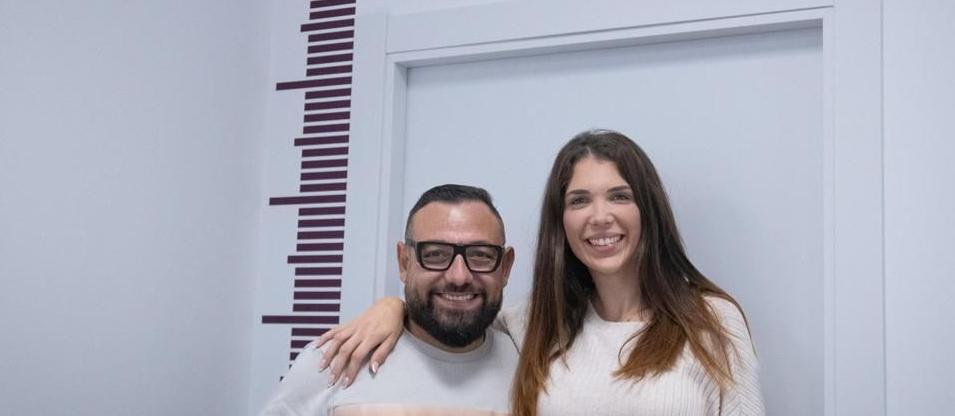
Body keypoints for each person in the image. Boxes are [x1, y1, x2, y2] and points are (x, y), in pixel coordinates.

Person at [318, 130, 765, 415]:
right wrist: (392, 306)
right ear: (562, 222)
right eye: (579, 201)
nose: (599, 216)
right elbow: (452, 305)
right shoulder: (532, 322)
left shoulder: (711, 321)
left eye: (619, 196)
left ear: (648, 210)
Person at [260, 183, 518, 415]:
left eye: (481, 255)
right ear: (404, 262)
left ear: (505, 267)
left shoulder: (530, 367)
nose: (459, 276)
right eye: (436, 254)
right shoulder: (336, 359)